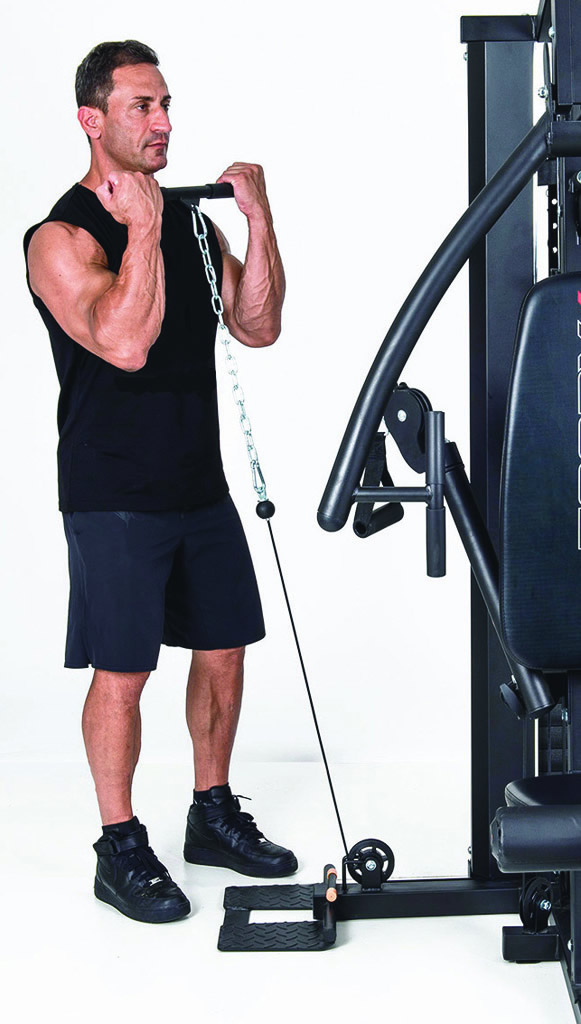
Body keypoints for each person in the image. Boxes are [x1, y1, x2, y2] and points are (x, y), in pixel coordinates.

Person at [23, 39, 296, 925]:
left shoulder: (188, 223)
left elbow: (256, 326)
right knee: (124, 671)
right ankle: (119, 846)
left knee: (223, 649)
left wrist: (257, 222)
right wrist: (141, 227)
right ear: (91, 119)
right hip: (111, 492)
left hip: (197, 482)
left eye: (165, 104)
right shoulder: (60, 237)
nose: (162, 122)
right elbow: (125, 343)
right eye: (141, 106)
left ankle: (211, 813)